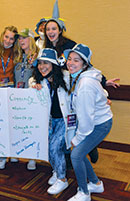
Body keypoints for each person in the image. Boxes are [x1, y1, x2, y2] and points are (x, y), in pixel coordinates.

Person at [44, 0, 119, 166]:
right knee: (66, 125)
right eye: (48, 29)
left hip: (74, 88)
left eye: (54, 28)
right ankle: (71, 156)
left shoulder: (70, 45)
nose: (50, 32)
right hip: (58, 92)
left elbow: (86, 65)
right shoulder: (46, 48)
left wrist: (104, 81)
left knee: (78, 120)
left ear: (60, 30)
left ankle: (88, 148)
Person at [64, 44, 113, 201]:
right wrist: (102, 98)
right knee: (79, 152)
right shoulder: (81, 76)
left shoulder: (85, 84)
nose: (70, 63)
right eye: (69, 59)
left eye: (76, 60)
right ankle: (95, 183)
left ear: (85, 64)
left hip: (99, 124)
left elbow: (86, 120)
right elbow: (102, 91)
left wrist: (77, 139)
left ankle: (84, 193)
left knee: (76, 155)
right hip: (96, 121)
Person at [28, 48, 75, 194]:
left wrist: (103, 95)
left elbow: (85, 84)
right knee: (48, 148)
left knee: (55, 147)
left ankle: (62, 179)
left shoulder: (67, 77)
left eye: (46, 63)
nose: (42, 66)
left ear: (54, 64)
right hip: (48, 120)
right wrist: (34, 88)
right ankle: (56, 170)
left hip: (64, 120)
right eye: (40, 63)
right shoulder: (36, 80)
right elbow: (30, 92)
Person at [0, 25, 18, 169]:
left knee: (10, 124)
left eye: (11, 38)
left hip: (10, 89)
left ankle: (12, 151)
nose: (8, 41)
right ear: (2, 36)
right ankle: (1, 154)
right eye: (6, 37)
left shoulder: (16, 53)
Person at [13, 28, 39, 170]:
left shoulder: (37, 57)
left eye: (24, 38)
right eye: (19, 39)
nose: (21, 41)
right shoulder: (17, 57)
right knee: (18, 126)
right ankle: (16, 151)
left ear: (31, 39)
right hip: (17, 97)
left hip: (31, 99)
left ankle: (32, 157)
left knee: (31, 127)